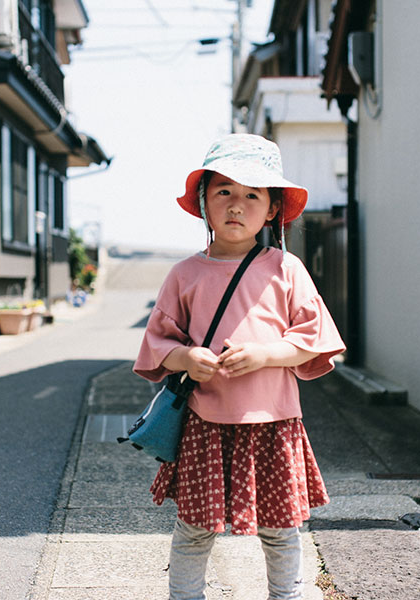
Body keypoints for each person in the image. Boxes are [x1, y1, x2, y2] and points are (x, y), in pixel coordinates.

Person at [133, 134, 346, 600]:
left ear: (272, 209)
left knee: (281, 529)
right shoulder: (185, 274)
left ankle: (286, 595)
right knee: (194, 528)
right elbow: (156, 343)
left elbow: (315, 340)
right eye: (224, 191)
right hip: (204, 423)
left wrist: (267, 354)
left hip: (273, 423)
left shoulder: (287, 269)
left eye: (253, 194)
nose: (237, 204)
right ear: (204, 203)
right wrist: (186, 356)